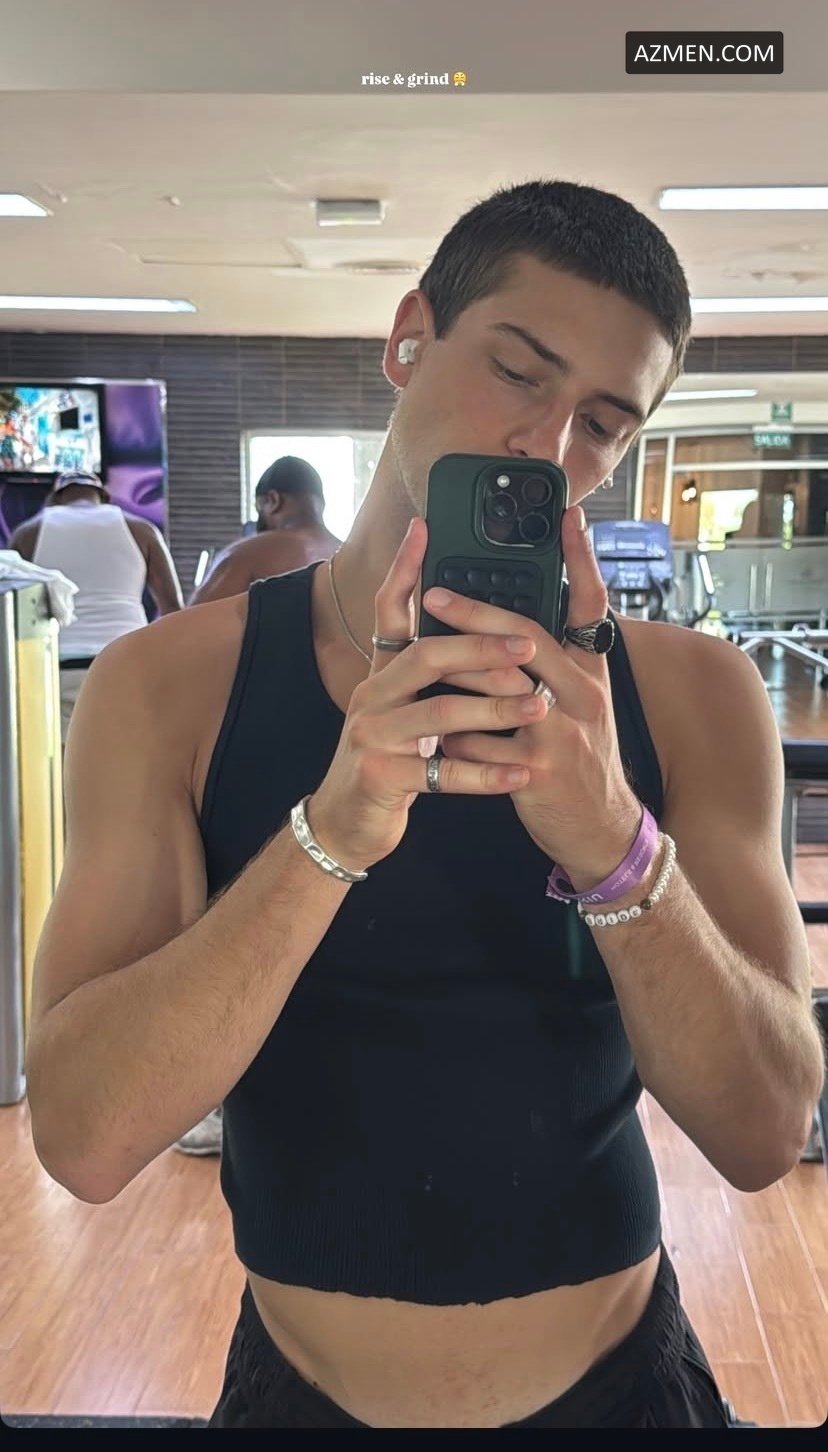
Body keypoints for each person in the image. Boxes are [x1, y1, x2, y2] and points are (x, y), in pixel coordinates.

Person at [25, 181, 824, 1430]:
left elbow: (767, 1130)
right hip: (295, 1400)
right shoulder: (169, 687)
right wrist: (328, 838)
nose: (546, 448)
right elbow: (83, 1137)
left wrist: (617, 848)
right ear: (410, 338)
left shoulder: (694, 696)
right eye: (517, 372)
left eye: (602, 424)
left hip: (621, 1394)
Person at [7, 468, 183, 741]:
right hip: (127, 663)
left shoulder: (28, 532)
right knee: (124, 755)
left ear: (56, 497)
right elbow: (173, 608)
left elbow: (9, 609)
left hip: (57, 667)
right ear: (104, 496)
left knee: (61, 760)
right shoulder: (141, 530)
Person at [189, 455, 341, 606]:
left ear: (274, 500)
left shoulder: (245, 554)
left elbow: (190, 619)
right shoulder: (347, 555)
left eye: (259, 508)